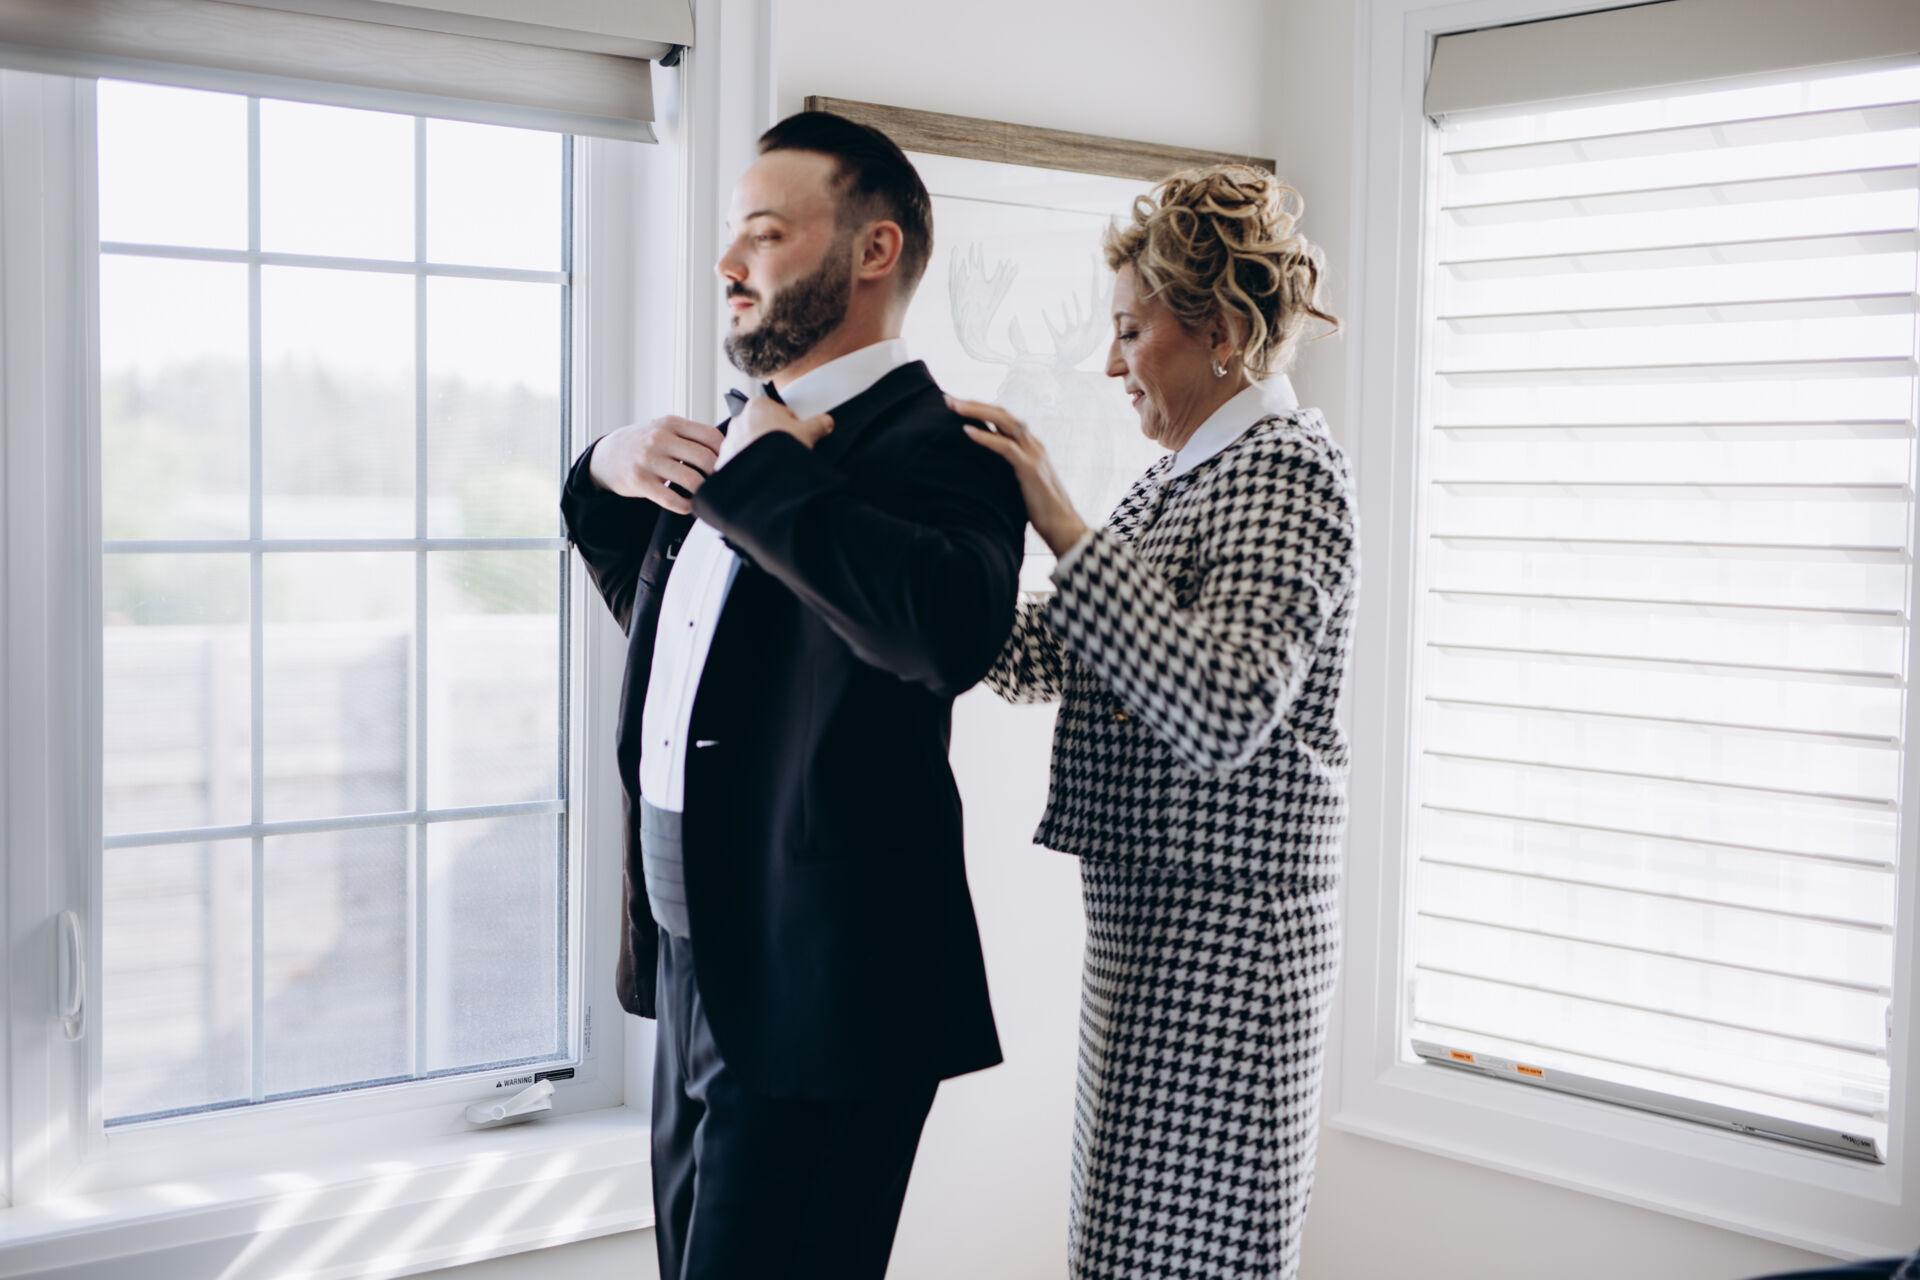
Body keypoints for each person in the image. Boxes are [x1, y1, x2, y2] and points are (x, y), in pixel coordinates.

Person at [560, 111, 1026, 1280]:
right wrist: (606, 463)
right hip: (696, 961)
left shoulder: (947, 449)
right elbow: (672, 628)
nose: (729, 264)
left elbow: (943, 633)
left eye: (764, 235)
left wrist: (766, 469)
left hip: (826, 992)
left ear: (873, 249)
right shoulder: (733, 448)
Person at [955, 164, 1355, 1280]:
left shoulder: (1290, 473)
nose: (1110, 363)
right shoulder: (1171, 482)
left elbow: (1224, 708)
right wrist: (927, 568)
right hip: (1148, 934)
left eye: (1131, 332)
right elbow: (1051, 655)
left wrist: (1059, 517)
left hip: (1231, 954)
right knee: (1121, 1254)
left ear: (1221, 332)